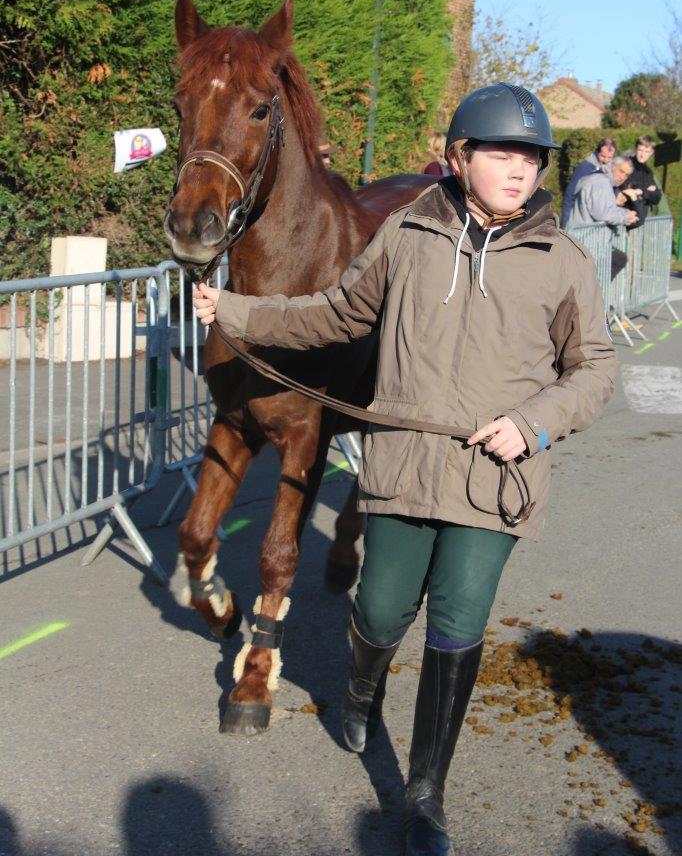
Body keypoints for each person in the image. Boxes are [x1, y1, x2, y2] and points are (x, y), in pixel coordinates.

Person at [193, 83, 617, 856]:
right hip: (402, 467)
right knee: (383, 613)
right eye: (500, 154)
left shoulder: (563, 260)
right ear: (460, 158)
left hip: (496, 479)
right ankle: (363, 681)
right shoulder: (406, 236)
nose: (518, 170)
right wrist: (237, 312)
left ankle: (426, 793)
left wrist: (534, 425)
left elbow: (592, 369)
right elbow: (333, 314)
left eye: (529, 157)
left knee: (458, 622)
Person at [564, 149, 637, 279]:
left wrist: (622, 211)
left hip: (590, 241)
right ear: (612, 166)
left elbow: (604, 208)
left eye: (626, 175)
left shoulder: (603, 181)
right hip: (588, 242)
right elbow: (603, 213)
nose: (622, 177)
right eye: (621, 171)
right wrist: (626, 216)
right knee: (617, 261)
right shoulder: (600, 182)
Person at [560, 137, 616, 228]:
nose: (606, 160)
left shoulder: (608, 168)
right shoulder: (585, 168)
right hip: (580, 221)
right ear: (597, 152)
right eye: (603, 156)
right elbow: (570, 194)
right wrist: (565, 222)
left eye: (609, 157)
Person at [622, 135, 661, 227]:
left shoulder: (648, 172)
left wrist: (642, 192)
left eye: (647, 151)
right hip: (626, 219)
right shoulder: (627, 165)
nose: (642, 154)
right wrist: (647, 191)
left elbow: (657, 197)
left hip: (639, 221)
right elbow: (630, 186)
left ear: (651, 153)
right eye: (640, 150)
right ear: (636, 149)